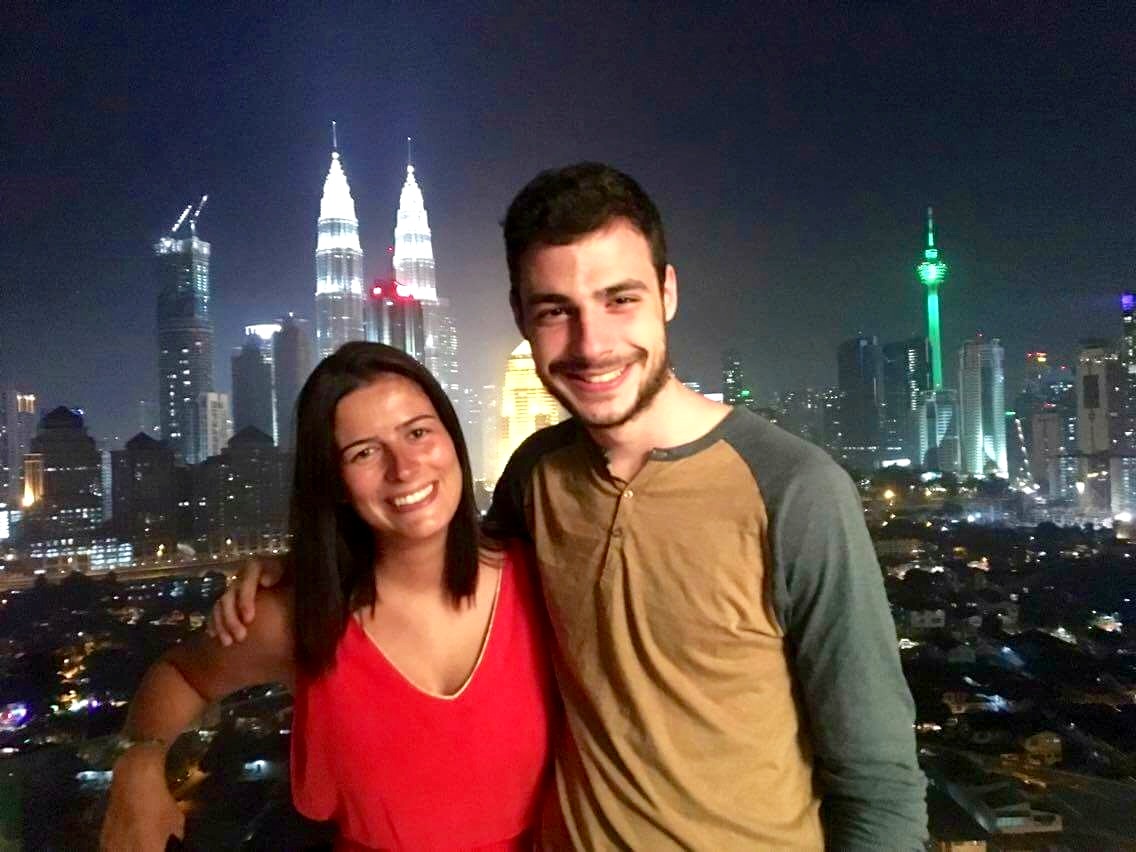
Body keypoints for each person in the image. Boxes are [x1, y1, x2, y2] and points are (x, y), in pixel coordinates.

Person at [216, 164, 929, 849]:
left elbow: (879, 786)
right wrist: (299, 568)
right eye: (556, 311)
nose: (592, 345)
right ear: (522, 319)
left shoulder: (795, 490)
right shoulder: (537, 474)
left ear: (667, 292)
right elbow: (433, 557)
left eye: (620, 299)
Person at [101, 342, 555, 851]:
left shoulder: (546, 578)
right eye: (364, 452)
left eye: (418, 433)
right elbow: (182, 675)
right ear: (335, 483)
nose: (404, 468)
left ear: (453, 438)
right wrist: (140, 761)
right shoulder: (299, 616)